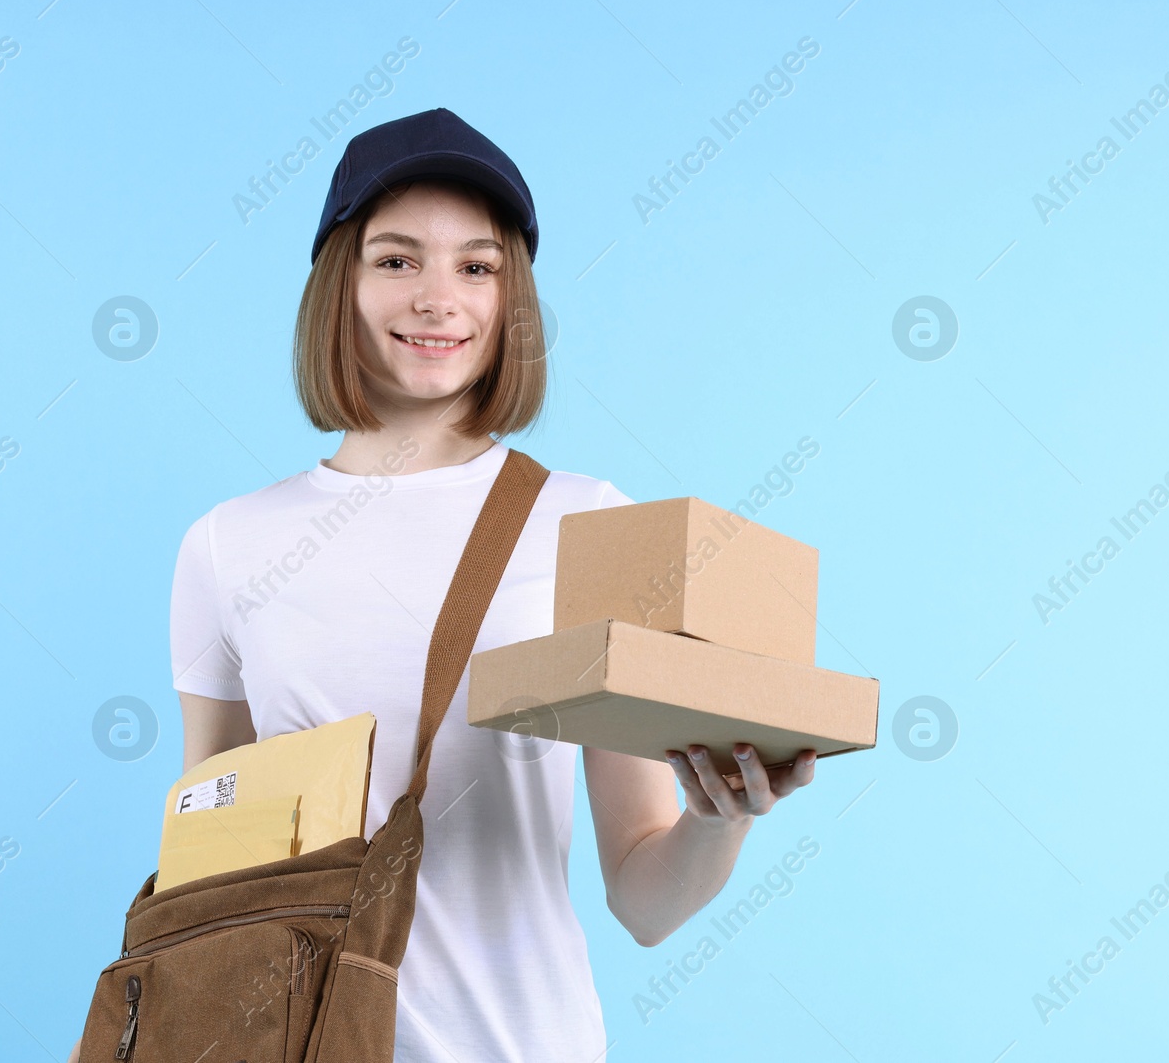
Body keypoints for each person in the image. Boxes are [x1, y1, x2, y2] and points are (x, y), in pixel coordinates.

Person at [68, 108, 817, 1062]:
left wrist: (717, 822)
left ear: (514, 302)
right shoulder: (227, 544)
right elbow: (207, 872)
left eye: (476, 266)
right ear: (340, 281)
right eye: (395, 260)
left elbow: (643, 899)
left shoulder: (590, 524)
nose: (437, 298)